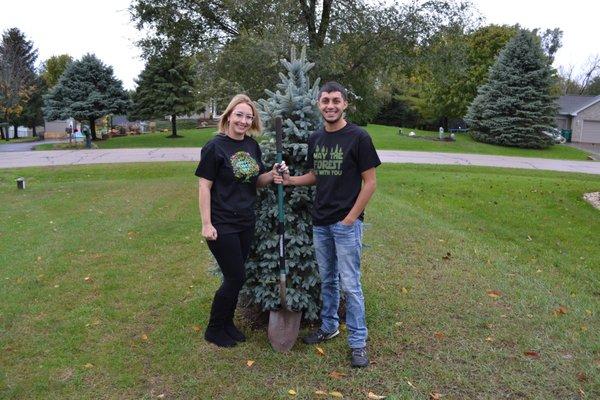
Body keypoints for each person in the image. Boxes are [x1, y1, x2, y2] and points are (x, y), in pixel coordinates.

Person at [274, 81, 381, 367]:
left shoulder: (358, 137)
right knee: (328, 280)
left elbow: (370, 183)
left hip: (345, 224)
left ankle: (358, 342)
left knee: (350, 284)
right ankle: (329, 326)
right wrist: (290, 180)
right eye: (325, 101)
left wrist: (350, 218)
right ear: (318, 105)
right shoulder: (316, 138)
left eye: (336, 100)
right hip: (320, 222)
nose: (330, 105)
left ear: (345, 103)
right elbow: (315, 175)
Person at [195, 94, 278, 347]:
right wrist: (207, 224)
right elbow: (204, 186)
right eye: (239, 115)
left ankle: (227, 324)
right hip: (222, 223)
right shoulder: (215, 147)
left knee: (234, 277)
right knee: (235, 277)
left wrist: (272, 174)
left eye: (248, 117)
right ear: (229, 115)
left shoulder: (252, 146)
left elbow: (258, 181)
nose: (243, 120)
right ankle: (214, 328)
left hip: (245, 221)